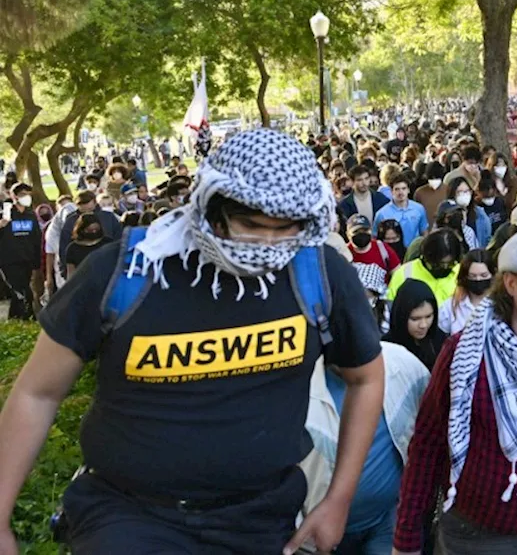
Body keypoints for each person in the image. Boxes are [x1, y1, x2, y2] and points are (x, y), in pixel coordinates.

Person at [0, 128, 385, 555]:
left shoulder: (317, 273)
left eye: (286, 229)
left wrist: (338, 500)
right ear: (212, 209)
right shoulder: (126, 272)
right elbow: (37, 392)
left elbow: (366, 378)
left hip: (259, 521)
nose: (269, 245)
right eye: (252, 227)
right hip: (128, 517)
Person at [393, 227, 517, 555]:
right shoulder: (465, 352)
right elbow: (428, 446)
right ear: (510, 283)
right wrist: (408, 540)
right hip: (477, 539)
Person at [300, 342, 429, 555]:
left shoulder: (402, 364)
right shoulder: (296, 390)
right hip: (320, 538)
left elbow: (432, 422)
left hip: (387, 523)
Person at [387, 227, 465, 306]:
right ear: (426, 256)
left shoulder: (463, 273)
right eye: (438, 265)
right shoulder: (404, 273)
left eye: (450, 264)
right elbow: (391, 308)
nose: (444, 267)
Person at [383, 279, 448, 370]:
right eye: (415, 319)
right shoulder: (387, 348)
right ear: (402, 317)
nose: (423, 325)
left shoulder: (441, 342)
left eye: (428, 316)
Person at [0, 184, 42, 320]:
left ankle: (15, 319)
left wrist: (37, 262)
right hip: (9, 261)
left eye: (28, 194)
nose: (27, 197)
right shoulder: (5, 214)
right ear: (14, 196)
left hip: (27, 259)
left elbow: (36, 238)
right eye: (23, 194)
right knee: (21, 291)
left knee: (20, 291)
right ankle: (27, 317)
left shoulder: (31, 215)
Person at [439, 249, 494, 335]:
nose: (478, 279)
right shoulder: (450, 306)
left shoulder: (501, 305)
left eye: (484, 275)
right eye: (472, 276)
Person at [374, 173, 429, 245]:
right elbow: (375, 237)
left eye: (403, 188)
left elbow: (424, 232)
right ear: (391, 191)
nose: (400, 192)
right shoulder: (382, 214)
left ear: (408, 190)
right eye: (397, 189)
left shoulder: (419, 209)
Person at [63, 212, 115, 280]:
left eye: (96, 229)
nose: (94, 232)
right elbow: (71, 273)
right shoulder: (73, 248)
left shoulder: (108, 243)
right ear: (81, 230)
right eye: (90, 230)